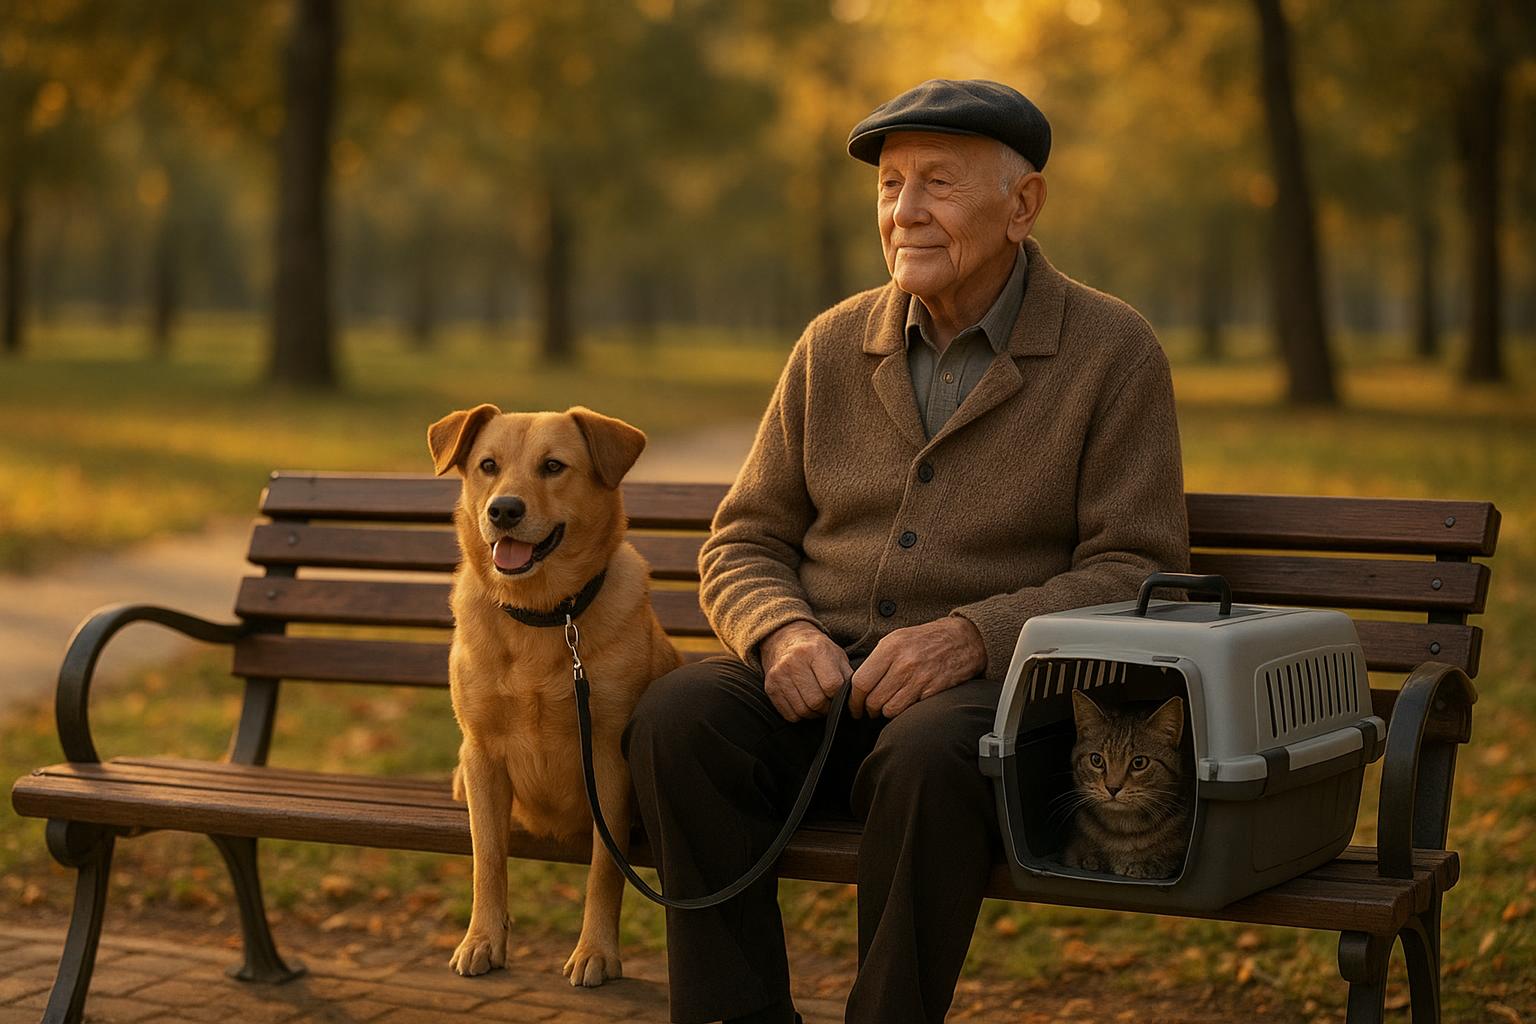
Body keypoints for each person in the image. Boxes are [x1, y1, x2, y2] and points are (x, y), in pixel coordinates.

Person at [623, 78, 1189, 1024]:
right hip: (819, 685)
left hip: (992, 704)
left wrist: (972, 636)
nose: (905, 212)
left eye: (938, 183)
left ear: (1023, 204)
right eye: (890, 186)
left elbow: (1136, 569)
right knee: (679, 718)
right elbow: (743, 537)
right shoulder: (832, 343)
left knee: (929, 755)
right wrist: (778, 635)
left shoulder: (1112, 350)